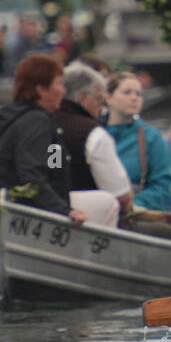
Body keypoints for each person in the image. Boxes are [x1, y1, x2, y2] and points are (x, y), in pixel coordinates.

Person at [0, 54, 87, 224]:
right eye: (58, 83)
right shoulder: (36, 122)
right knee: (107, 203)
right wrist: (63, 211)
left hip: (17, 208)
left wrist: (62, 203)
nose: (63, 90)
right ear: (41, 89)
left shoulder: (34, 122)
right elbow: (31, 174)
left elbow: (55, 169)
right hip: (25, 214)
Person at [50, 63, 132, 227]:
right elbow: (122, 196)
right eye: (99, 99)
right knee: (165, 232)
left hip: (44, 211)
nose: (102, 108)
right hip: (84, 223)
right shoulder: (94, 134)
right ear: (82, 97)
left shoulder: (43, 122)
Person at [103, 71, 171, 212]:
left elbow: (164, 184)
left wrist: (135, 204)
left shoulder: (151, 137)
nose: (134, 98)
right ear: (108, 98)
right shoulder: (93, 133)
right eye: (127, 92)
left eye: (138, 94)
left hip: (135, 213)